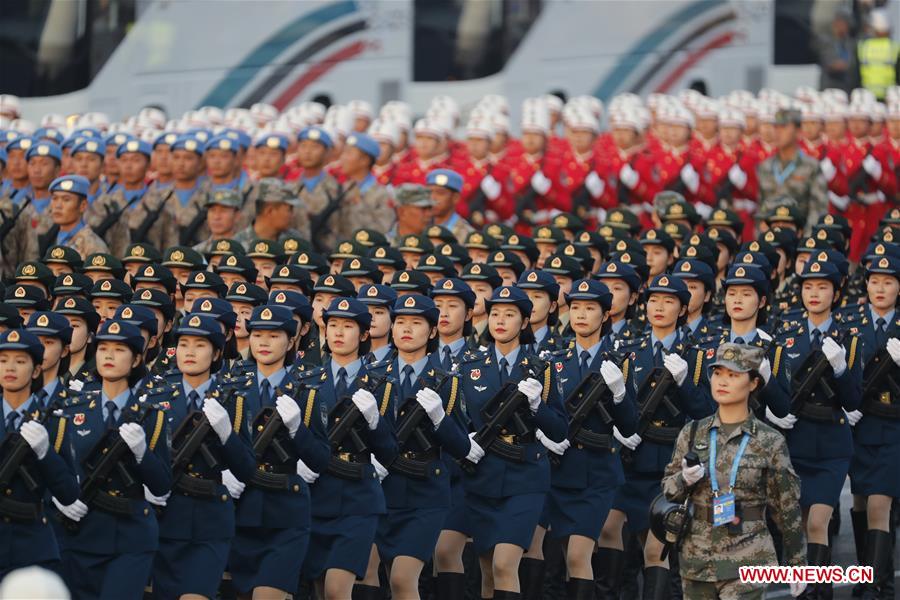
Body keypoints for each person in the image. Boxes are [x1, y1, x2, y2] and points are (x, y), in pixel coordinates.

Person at [661, 343, 807, 599]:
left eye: (734, 375)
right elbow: (668, 489)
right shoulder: (693, 432)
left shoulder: (769, 441)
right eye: (718, 373)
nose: (722, 382)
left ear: (753, 383)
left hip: (748, 555)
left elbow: (786, 508)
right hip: (697, 559)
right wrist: (684, 478)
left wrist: (797, 563)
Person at [457, 285, 568, 599]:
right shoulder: (469, 368)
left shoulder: (540, 369)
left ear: (524, 321)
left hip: (524, 478)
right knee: (488, 569)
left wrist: (538, 408)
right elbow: (460, 420)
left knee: (506, 564)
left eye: (509, 314)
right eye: (494, 314)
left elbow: (560, 430)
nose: (500, 321)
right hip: (482, 479)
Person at [52, 319, 172, 600]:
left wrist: (143, 453)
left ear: (137, 359)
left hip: (131, 537)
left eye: (119, 350)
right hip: (80, 533)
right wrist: (59, 498)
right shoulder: (72, 407)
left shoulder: (151, 411)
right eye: (103, 348)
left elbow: (162, 485)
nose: (108, 355)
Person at [369, 294, 479, 600]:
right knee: (376, 577)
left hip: (425, 493)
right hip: (380, 492)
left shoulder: (447, 381)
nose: (406, 329)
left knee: (404, 580)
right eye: (400, 322)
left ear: (432, 332)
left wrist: (440, 418)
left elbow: (461, 446)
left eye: (416, 323)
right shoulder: (374, 378)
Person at [767, 258, 863, 599]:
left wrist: (840, 368)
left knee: (817, 522)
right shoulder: (787, 331)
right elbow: (778, 387)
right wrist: (769, 405)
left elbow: (853, 399)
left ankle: (815, 596)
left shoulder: (849, 335)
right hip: (795, 442)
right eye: (808, 286)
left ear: (836, 292)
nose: (814, 293)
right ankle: (812, 588)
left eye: (822, 287)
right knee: (799, 525)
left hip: (832, 446)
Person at [539, 279, 637, 599]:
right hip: (559, 472)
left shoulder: (619, 360)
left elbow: (630, 425)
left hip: (597, 474)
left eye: (590, 308)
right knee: (557, 559)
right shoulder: (554, 361)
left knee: (579, 556)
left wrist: (621, 394)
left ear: (605, 314)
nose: (581, 314)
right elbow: (550, 413)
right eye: (576, 307)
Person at [149, 313, 257, 600]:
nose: (190, 352)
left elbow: (247, 468)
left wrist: (226, 433)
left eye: (200, 345)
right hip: (166, 519)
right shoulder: (157, 397)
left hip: (211, 521)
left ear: (217, 353)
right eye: (184, 344)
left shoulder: (231, 397)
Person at [298, 297, 398, 600]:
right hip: (316, 496)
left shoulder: (381, 383)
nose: (338, 332)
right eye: (333, 325)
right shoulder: (306, 381)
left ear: (364, 335)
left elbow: (389, 451)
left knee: (335, 591)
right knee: (316, 586)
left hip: (358, 499)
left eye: (348, 326)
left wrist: (374, 421)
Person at [0, 328, 79, 578]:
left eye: (20, 361)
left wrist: (46, 453)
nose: (9, 368)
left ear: (35, 370)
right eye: (2, 361)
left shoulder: (53, 422)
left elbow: (68, 493)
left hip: (32, 549)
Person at [844, 255, 900, 598]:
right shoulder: (850, 322)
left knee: (881, 504)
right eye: (874, 281)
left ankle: (877, 585)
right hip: (858, 425)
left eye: (889, 281)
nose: (880, 288)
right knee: (861, 503)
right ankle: (871, 575)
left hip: (894, 426)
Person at [756, 109, 828, 232]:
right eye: (776, 127)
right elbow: (761, 210)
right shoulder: (765, 166)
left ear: (798, 131)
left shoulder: (811, 166)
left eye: (783, 127)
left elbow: (819, 210)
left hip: (800, 241)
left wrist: (805, 244)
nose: (777, 132)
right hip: (770, 242)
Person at [48, 175, 109, 259]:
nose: (58, 206)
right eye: (54, 198)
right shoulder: (50, 238)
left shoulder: (93, 246)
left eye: (66, 200)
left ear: (83, 206)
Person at [855, 9, 900, 101]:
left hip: (866, 97)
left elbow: (855, 74)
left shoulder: (863, 47)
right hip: (889, 97)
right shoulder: (894, 47)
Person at [819, 9, 857, 93]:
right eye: (841, 24)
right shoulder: (826, 41)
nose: (843, 27)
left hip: (846, 87)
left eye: (845, 24)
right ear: (835, 24)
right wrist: (841, 65)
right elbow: (830, 63)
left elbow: (853, 63)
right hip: (830, 87)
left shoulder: (850, 43)